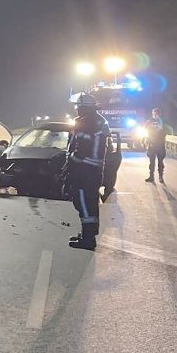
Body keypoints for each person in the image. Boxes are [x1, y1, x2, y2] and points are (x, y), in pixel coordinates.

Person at [63, 92, 110, 250]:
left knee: (83, 203)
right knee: (90, 202)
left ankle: (88, 239)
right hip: (95, 169)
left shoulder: (85, 123)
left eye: (78, 107)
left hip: (84, 170)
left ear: (83, 108)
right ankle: (88, 234)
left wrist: (69, 163)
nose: (76, 110)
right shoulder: (100, 121)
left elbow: (79, 150)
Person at [142, 108, 168, 183]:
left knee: (160, 161)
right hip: (152, 144)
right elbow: (145, 129)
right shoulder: (149, 121)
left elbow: (166, 130)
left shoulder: (163, 121)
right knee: (151, 161)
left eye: (156, 114)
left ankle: (160, 176)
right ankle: (151, 176)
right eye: (154, 114)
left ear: (160, 114)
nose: (155, 115)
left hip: (160, 144)